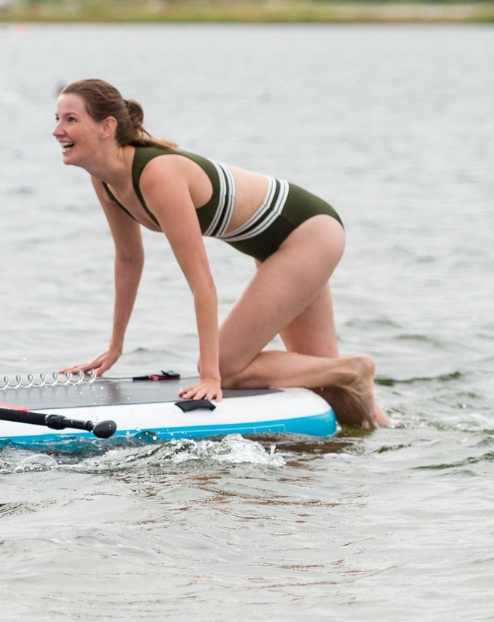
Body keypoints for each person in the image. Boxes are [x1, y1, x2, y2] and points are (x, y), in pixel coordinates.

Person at [52, 79, 389, 428]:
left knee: (229, 368)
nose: (57, 130)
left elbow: (203, 285)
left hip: (308, 233)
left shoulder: (157, 174)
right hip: (280, 243)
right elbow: (128, 260)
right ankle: (391, 441)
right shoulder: (105, 180)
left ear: (107, 127)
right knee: (329, 387)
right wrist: (115, 347)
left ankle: (355, 368)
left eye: (70, 119)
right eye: (58, 118)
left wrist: (211, 375)